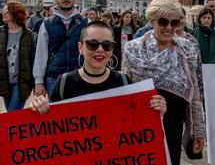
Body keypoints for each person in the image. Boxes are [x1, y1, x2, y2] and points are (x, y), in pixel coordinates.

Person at [121, 0, 205, 165]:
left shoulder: (187, 49)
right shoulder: (133, 49)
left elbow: (195, 91)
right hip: (141, 129)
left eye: (174, 23)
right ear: (152, 20)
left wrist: (198, 130)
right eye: (163, 21)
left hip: (173, 127)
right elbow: (124, 91)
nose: (169, 28)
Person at [30, 21, 166, 118]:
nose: (100, 50)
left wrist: (156, 110)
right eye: (92, 44)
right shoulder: (64, 83)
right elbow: (50, 126)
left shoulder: (123, 81)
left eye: (107, 45)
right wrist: (39, 107)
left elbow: (137, 121)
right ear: (80, 47)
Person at [33, 0, 87, 101]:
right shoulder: (47, 23)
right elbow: (40, 54)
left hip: (81, 77)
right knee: (57, 116)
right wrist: (38, 82)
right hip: (54, 78)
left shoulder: (85, 23)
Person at [0, 1, 35, 111]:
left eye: (7, 11)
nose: (3, 13)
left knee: (11, 114)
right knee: (13, 116)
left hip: (21, 82)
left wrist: (36, 82)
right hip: (4, 81)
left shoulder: (28, 34)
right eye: (3, 11)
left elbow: (33, 58)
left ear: (16, 13)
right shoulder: (0, 32)